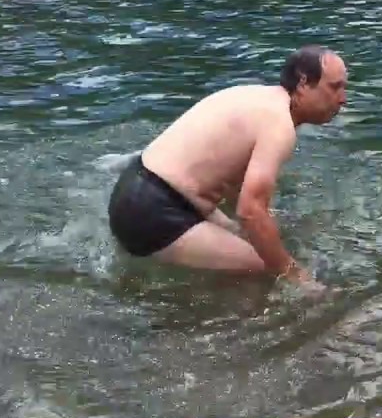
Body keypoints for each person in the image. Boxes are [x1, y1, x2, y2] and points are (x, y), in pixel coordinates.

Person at [108, 44, 348, 291]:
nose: (343, 99)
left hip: (133, 189)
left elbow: (237, 188)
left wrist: (250, 230)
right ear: (303, 83)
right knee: (269, 270)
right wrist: (296, 276)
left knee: (251, 241)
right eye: (334, 87)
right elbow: (251, 211)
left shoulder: (257, 98)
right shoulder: (279, 125)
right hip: (154, 212)